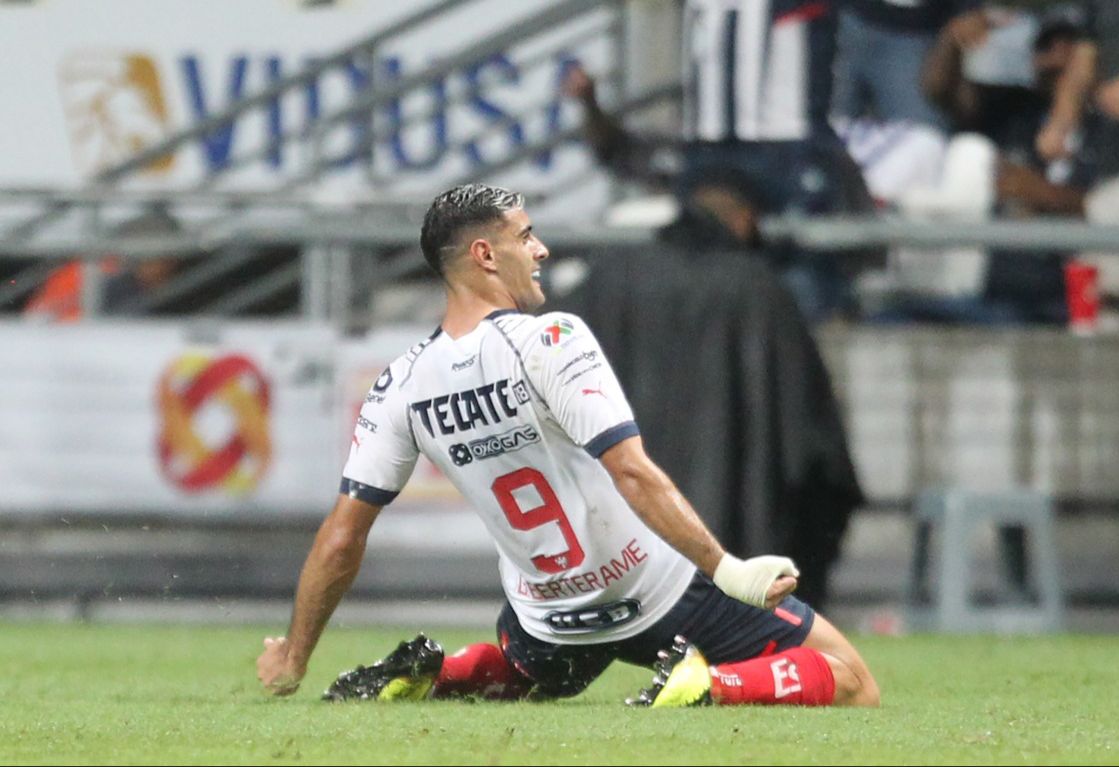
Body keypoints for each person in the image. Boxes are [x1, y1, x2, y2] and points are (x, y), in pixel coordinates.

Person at [256, 183, 879, 708]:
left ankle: (440, 674)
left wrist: (293, 654)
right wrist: (728, 570)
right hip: (653, 591)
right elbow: (631, 474)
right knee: (852, 679)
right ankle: (709, 684)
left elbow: (342, 536)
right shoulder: (548, 339)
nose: (541, 249)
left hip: (548, 618)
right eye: (525, 236)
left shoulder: (400, 383)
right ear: (485, 255)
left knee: (528, 673)